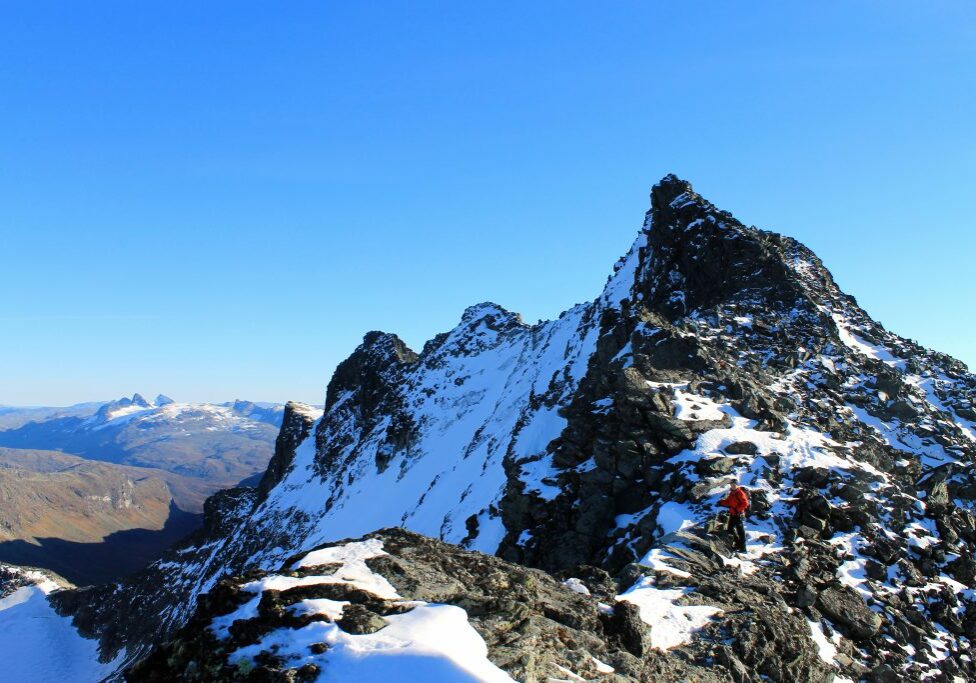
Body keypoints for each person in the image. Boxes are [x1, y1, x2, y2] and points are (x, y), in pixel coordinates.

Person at [718, 482, 750, 553]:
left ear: (737, 485)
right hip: (733, 514)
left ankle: (743, 548)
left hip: (738, 514)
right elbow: (728, 502)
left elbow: (745, 503)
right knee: (730, 529)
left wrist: (737, 510)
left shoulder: (740, 493)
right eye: (731, 485)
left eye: (734, 485)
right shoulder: (732, 493)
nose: (732, 486)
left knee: (740, 531)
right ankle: (738, 544)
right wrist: (721, 502)